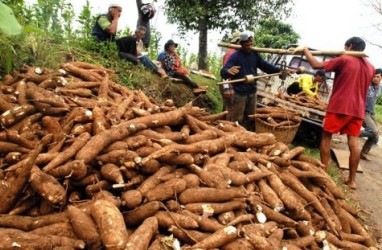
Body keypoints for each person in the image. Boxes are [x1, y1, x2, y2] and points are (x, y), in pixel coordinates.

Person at [293, 37, 375, 189]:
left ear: (349, 46)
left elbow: (316, 64)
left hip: (340, 106)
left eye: (345, 46)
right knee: (354, 142)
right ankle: (352, 181)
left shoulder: (344, 58)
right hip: (358, 110)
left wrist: (305, 50)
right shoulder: (370, 67)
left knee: (326, 136)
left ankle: (323, 175)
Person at [220, 31, 281, 130]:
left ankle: (249, 136)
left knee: (251, 118)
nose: (249, 46)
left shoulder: (254, 54)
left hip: (252, 92)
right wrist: (228, 71)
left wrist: (279, 70)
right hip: (240, 93)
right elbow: (223, 72)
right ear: (241, 44)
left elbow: (265, 66)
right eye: (247, 45)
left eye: (251, 44)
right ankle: (235, 136)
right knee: (237, 119)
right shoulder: (235, 57)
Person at [359, 68, 382, 161]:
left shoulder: (380, 87)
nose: (375, 78)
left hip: (372, 113)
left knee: (376, 138)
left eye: (378, 77)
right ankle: (352, 133)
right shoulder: (367, 84)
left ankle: (363, 153)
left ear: (381, 78)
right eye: (374, 76)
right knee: (373, 132)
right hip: (363, 111)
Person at [221, 31, 241, 120]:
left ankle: (220, 125)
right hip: (228, 84)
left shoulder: (236, 53)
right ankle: (225, 128)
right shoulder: (231, 54)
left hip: (232, 84)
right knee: (230, 109)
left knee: (228, 107)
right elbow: (225, 73)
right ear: (237, 41)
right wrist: (226, 88)